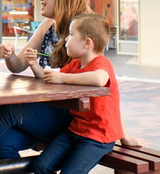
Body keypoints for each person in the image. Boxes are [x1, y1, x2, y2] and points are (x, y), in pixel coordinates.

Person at [0, 0, 144, 161]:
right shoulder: (47, 25)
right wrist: (10, 56)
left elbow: (106, 86)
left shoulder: (86, 28)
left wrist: (123, 135)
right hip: (43, 110)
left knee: (9, 110)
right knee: (3, 141)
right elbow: (18, 65)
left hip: (74, 119)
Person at [31, 13, 122, 174]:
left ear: (87, 43)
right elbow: (50, 77)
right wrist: (32, 63)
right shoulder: (75, 64)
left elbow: (99, 79)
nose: (66, 39)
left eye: (71, 34)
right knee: (41, 166)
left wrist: (63, 77)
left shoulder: (101, 63)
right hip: (76, 130)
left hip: (98, 137)